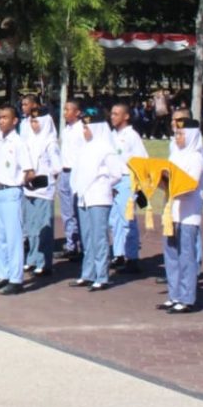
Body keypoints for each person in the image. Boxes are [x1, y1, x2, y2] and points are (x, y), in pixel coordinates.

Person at [68, 107, 120, 291]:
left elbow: (116, 173)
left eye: (87, 127)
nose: (84, 131)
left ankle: (102, 275)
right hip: (84, 196)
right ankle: (87, 273)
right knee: (87, 237)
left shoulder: (106, 148)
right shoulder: (85, 148)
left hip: (98, 196)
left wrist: (103, 185)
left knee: (99, 237)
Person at [163, 110, 203, 311]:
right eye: (177, 134)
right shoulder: (175, 155)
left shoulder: (196, 157)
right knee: (171, 254)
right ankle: (174, 294)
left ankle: (187, 297)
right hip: (171, 211)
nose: (178, 138)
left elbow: (190, 185)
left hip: (188, 213)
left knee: (186, 255)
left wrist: (171, 183)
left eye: (181, 134)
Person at [0, 104, 28, 294]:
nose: (1, 121)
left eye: (5, 118)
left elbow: (28, 170)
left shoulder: (18, 143)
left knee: (13, 237)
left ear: (15, 121)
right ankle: (3, 274)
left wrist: (19, 183)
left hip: (11, 191)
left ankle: (16, 279)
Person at [106, 100, 148, 273]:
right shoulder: (111, 135)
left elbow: (142, 160)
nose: (112, 116)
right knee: (113, 219)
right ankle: (119, 254)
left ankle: (132, 257)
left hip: (127, 179)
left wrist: (138, 186)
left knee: (127, 219)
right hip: (113, 181)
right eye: (112, 113)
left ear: (126, 116)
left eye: (116, 114)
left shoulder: (132, 136)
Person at [19, 108, 61, 278]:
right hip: (29, 188)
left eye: (37, 121)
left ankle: (44, 262)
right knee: (31, 226)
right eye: (32, 121)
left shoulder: (50, 142)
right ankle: (32, 258)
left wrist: (42, 174)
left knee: (43, 226)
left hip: (43, 189)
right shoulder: (29, 139)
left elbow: (57, 166)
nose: (34, 124)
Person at [56, 97, 86, 261]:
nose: (65, 113)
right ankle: (70, 244)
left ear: (78, 112)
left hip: (77, 172)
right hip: (64, 172)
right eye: (64, 109)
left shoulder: (82, 129)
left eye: (68, 110)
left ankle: (82, 244)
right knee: (67, 212)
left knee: (77, 210)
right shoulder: (66, 129)